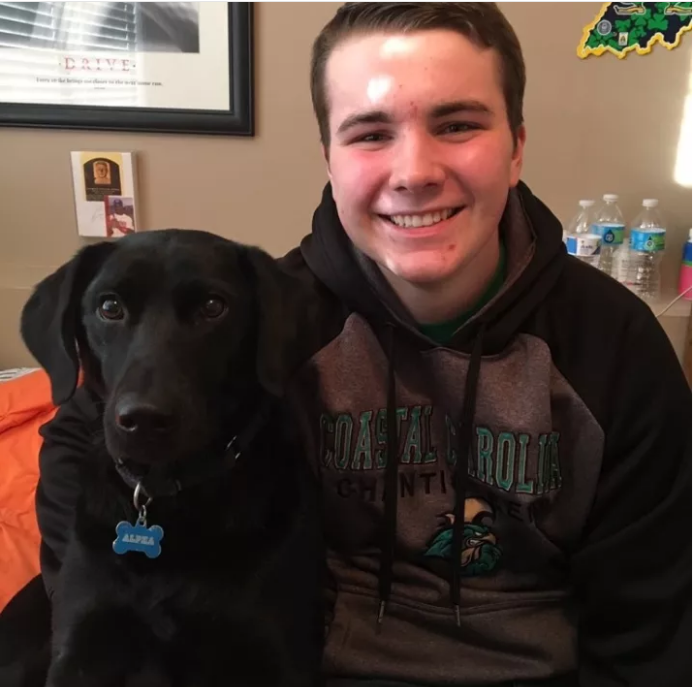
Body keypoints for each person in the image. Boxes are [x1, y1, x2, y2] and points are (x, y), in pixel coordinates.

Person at [25, 3, 693, 687]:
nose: (414, 171)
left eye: (457, 125)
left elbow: (646, 630)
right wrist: (88, 600)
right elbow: (91, 428)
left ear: (516, 146)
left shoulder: (614, 342)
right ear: (330, 159)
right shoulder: (273, 314)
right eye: (370, 134)